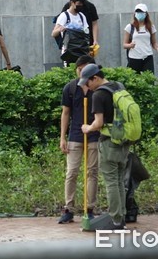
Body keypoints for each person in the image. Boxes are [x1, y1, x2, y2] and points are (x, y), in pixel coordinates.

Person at [79, 63, 129, 230]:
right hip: (123, 141)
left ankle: (115, 220)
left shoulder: (99, 95)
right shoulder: (118, 87)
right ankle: (121, 217)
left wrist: (88, 128)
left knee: (111, 182)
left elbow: (99, 123)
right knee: (120, 180)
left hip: (108, 143)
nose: (87, 86)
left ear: (96, 78)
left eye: (88, 82)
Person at [58, 55, 100, 224]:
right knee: (71, 172)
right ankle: (68, 209)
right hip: (75, 135)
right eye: (79, 69)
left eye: (85, 68)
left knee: (92, 172)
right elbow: (65, 113)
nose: (81, 71)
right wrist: (63, 137)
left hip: (94, 135)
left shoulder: (97, 88)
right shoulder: (70, 88)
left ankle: (89, 208)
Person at [123, 3, 158, 74]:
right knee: (133, 81)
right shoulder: (130, 27)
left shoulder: (151, 27)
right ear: (135, 13)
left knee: (149, 80)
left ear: (146, 14)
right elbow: (124, 45)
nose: (139, 14)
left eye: (141, 12)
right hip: (134, 58)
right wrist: (130, 45)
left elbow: (154, 42)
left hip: (147, 57)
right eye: (137, 12)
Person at [52, 0, 90, 66]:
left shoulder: (82, 16)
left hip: (81, 50)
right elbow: (53, 33)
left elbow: (86, 33)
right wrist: (60, 29)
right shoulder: (64, 16)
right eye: (78, 4)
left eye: (82, 4)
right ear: (72, 3)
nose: (80, 6)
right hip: (68, 50)